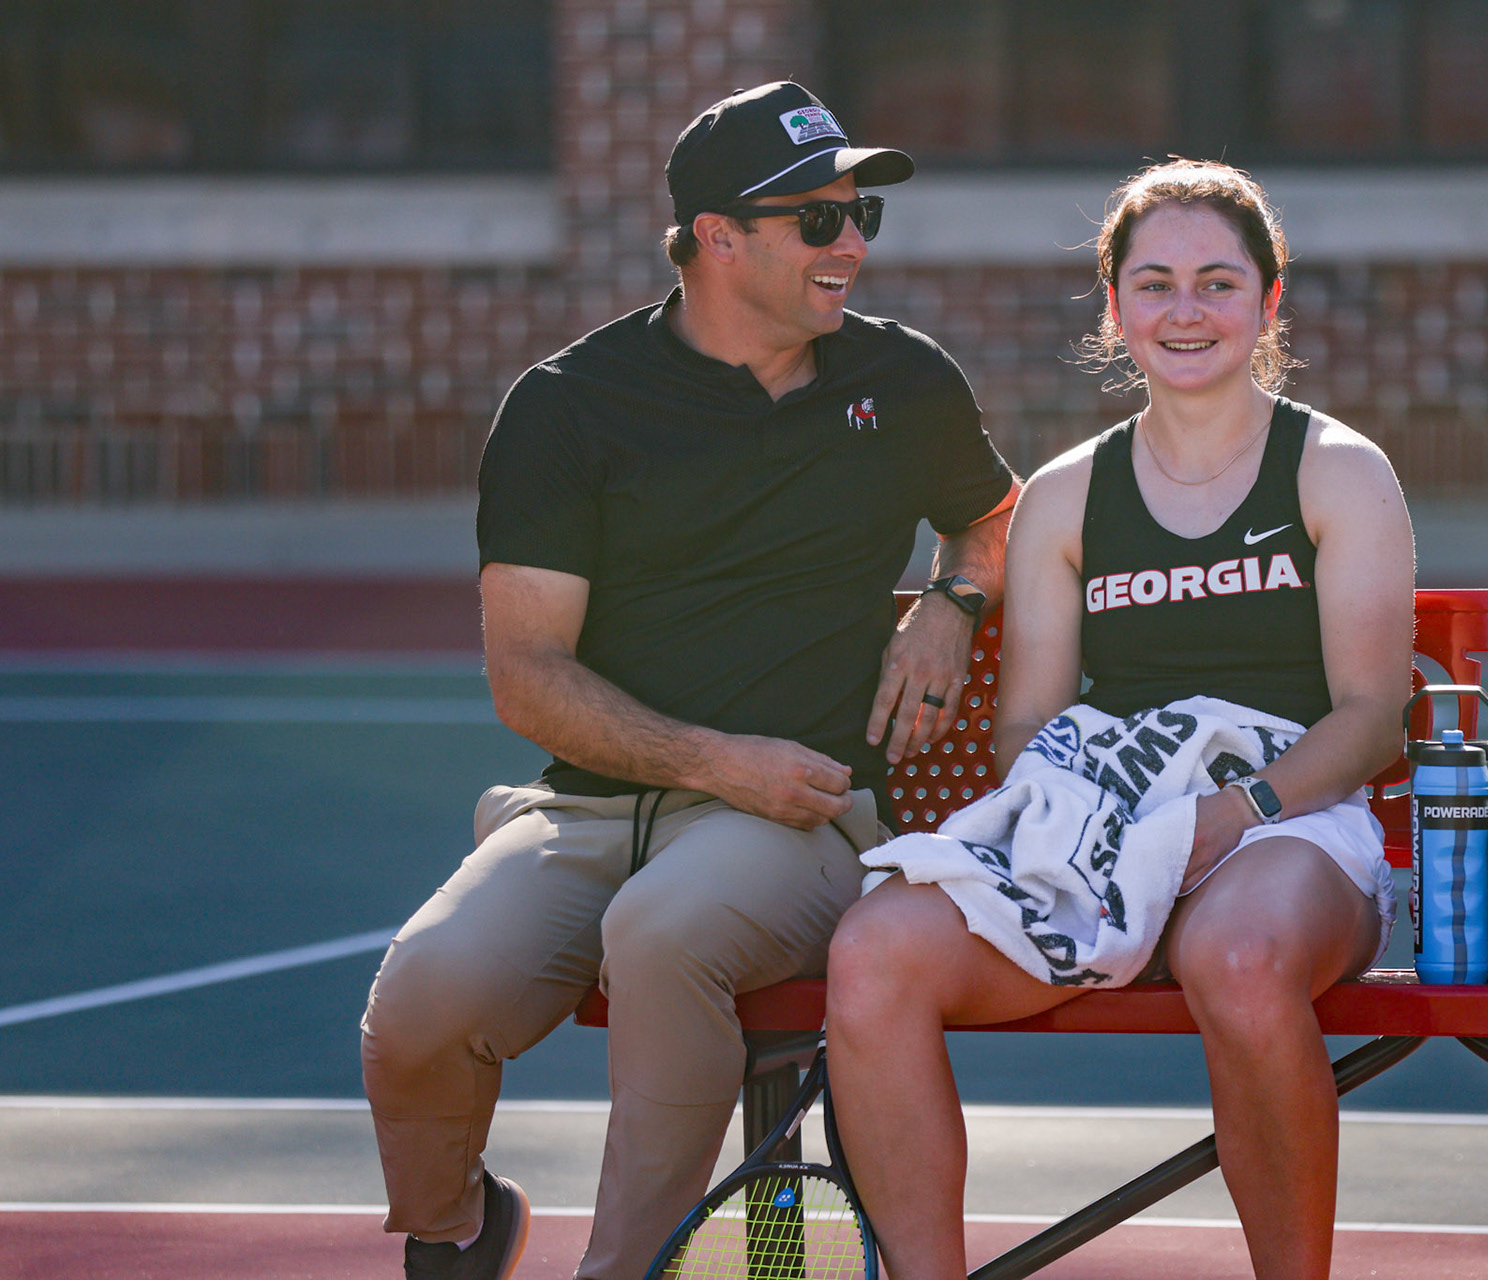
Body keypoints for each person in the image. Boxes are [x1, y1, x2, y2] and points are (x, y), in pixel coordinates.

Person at [359, 81, 1019, 1280]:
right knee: (419, 999)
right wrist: (716, 759)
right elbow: (527, 676)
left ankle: (625, 1271)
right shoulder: (570, 407)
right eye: (818, 220)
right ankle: (456, 1225)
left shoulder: (905, 381)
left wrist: (951, 602)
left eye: (861, 209)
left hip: (804, 816)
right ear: (718, 236)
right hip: (589, 808)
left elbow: (991, 516)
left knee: (662, 934)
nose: (855, 242)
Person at [825, 160, 1415, 1280]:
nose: (1183, 311)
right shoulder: (1064, 493)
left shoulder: (1338, 471)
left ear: (1267, 300)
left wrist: (1221, 818)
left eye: (1216, 282)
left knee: (1235, 955)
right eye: (1153, 284)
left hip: (1288, 823)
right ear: (1114, 306)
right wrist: (1108, 831)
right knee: (873, 951)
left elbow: (1371, 719)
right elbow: (1029, 729)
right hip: (1108, 828)